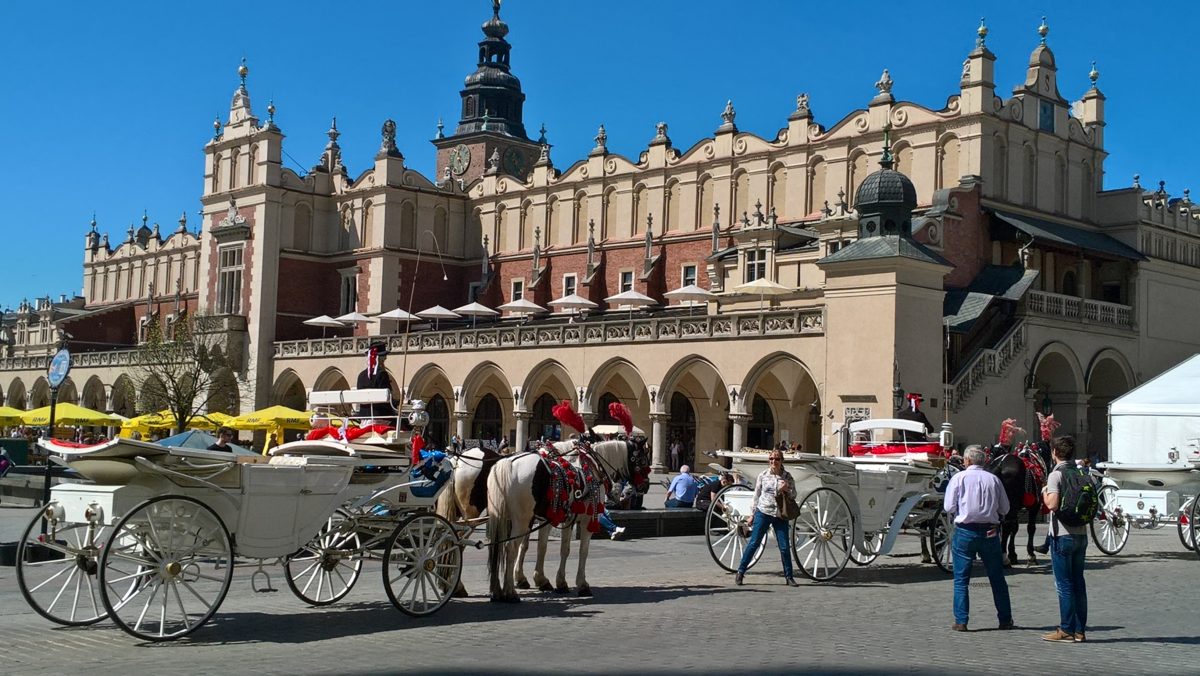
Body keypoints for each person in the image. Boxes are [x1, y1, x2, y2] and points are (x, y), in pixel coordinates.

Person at [943, 444, 1014, 632]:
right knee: (997, 578)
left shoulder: (959, 478)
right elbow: (1005, 508)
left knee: (961, 579)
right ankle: (1005, 619)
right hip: (990, 531)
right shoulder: (994, 480)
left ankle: (961, 620)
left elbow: (949, 506)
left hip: (966, 531)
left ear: (967, 461)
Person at [1041, 435, 1089, 643]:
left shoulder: (1056, 474)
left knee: (1064, 584)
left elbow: (1052, 504)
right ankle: (1080, 630)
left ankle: (1067, 629)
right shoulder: (1081, 472)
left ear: (1054, 453)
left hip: (1062, 534)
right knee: (1079, 582)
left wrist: (1044, 491)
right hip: (1081, 533)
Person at [734, 450, 797, 586]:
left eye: (777, 459)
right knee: (754, 543)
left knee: (784, 547)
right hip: (763, 512)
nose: (773, 461)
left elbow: (794, 495)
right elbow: (756, 495)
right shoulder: (763, 475)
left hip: (780, 514)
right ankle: (740, 572)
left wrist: (787, 489)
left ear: (781, 461)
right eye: (771, 459)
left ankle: (789, 576)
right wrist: (752, 514)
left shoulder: (787, 477)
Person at [355, 341, 398, 423]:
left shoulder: (361, 375)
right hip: (381, 417)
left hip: (363, 418)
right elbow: (387, 400)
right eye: (384, 357)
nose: (385, 359)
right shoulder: (382, 374)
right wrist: (397, 402)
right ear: (380, 359)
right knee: (405, 424)